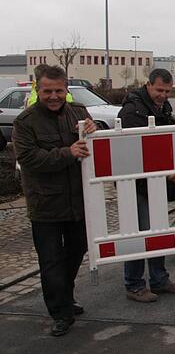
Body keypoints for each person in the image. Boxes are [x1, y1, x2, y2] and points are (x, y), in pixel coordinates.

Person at [13, 64, 97, 336]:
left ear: (66, 89)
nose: (53, 96)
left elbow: (92, 149)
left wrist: (92, 132)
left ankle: (66, 295)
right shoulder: (25, 122)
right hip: (45, 205)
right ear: (38, 89)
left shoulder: (80, 113)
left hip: (78, 201)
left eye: (58, 90)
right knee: (50, 261)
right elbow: (28, 159)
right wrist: (68, 152)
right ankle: (60, 313)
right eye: (47, 90)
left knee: (75, 252)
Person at [118, 69, 175, 302]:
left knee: (158, 230)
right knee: (139, 231)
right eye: (159, 90)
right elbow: (135, 151)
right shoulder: (132, 111)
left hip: (156, 180)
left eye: (167, 92)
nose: (163, 95)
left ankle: (159, 279)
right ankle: (134, 284)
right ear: (148, 85)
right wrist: (164, 171)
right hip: (136, 183)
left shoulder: (162, 107)